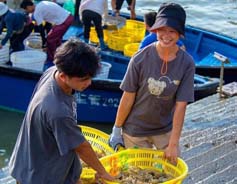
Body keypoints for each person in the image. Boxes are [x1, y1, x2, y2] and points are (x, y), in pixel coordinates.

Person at [9, 38, 114, 184]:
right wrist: (102, 172)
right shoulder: (57, 111)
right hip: (39, 175)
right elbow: (82, 147)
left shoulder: (53, 71)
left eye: (91, 77)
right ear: (64, 76)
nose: (89, 83)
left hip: (37, 158)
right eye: (83, 79)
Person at [109, 2, 195, 164]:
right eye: (162, 30)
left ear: (180, 34)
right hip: (134, 130)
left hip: (165, 130)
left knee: (169, 170)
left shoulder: (187, 63)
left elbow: (181, 105)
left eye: (172, 31)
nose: (166, 35)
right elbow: (127, 97)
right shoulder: (139, 58)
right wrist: (116, 129)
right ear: (154, 30)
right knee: (139, 174)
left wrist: (173, 144)